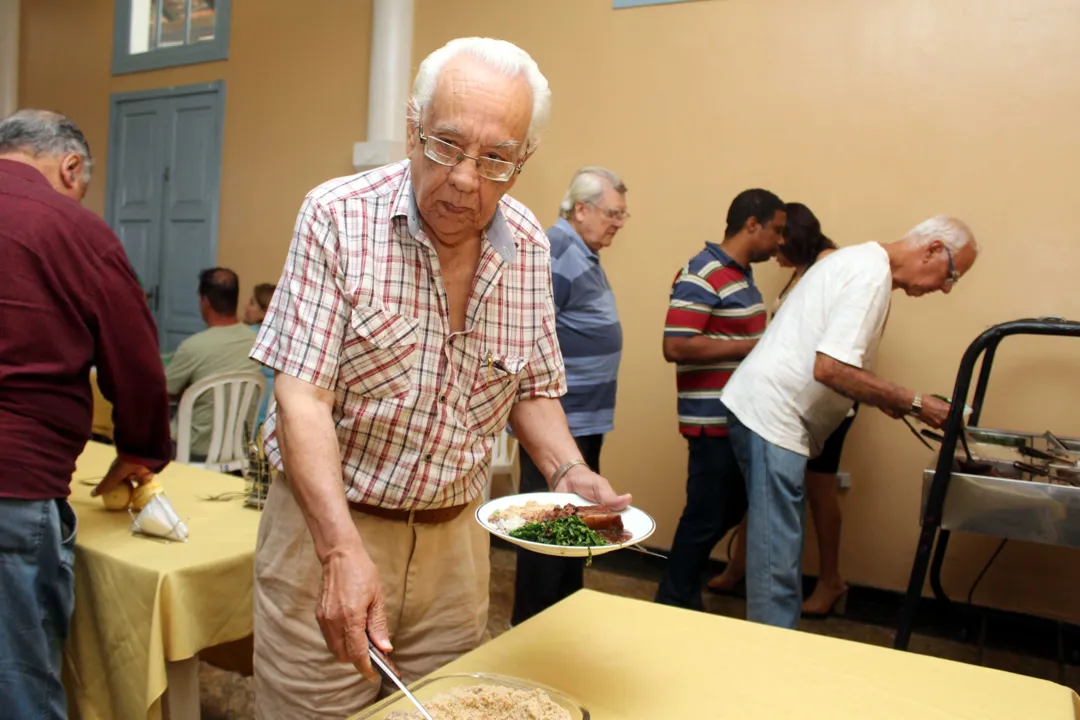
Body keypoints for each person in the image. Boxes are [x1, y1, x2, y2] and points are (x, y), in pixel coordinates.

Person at [249, 37, 630, 717]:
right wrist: (340, 550)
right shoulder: (337, 216)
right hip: (329, 532)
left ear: (525, 160)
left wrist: (570, 473)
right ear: (411, 126)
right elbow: (301, 393)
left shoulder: (529, 245)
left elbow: (532, 386)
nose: (463, 178)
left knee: (453, 706)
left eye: (495, 160)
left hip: (457, 550)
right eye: (446, 146)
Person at [722, 215, 979, 629]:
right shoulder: (868, 274)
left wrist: (887, 400)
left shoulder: (864, 263)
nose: (946, 287)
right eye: (950, 274)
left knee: (779, 547)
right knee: (777, 558)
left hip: (771, 415)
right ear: (932, 249)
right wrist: (915, 402)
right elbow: (830, 369)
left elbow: (835, 365)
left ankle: (771, 652)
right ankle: (772, 666)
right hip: (773, 416)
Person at [0, 109, 173, 719]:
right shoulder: (72, 227)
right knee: (19, 681)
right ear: (69, 166)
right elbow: (135, 360)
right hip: (14, 477)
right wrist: (140, 449)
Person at [708, 202, 853, 617]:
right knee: (767, 488)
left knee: (818, 489)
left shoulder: (832, 267)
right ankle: (741, 565)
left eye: (779, 241)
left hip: (816, 401)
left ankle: (831, 580)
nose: (774, 250)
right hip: (779, 403)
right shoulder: (800, 272)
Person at [654, 189, 787, 611]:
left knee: (726, 511)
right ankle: (674, 600)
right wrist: (753, 347)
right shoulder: (703, 272)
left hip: (737, 418)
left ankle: (679, 592)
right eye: (776, 231)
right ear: (752, 225)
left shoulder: (741, 276)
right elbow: (676, 345)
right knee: (704, 517)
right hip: (710, 421)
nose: (780, 241)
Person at [510, 166, 629, 625]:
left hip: (584, 420)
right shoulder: (557, 247)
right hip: (558, 426)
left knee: (574, 526)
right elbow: (532, 331)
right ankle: (534, 627)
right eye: (611, 213)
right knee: (548, 531)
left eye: (623, 215)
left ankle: (561, 620)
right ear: (581, 209)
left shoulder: (581, 252)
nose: (618, 222)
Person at [165, 268, 260, 458]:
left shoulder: (193, 346)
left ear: (205, 302)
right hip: (239, 451)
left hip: (194, 451)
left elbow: (162, 394)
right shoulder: (256, 342)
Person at [243, 282, 277, 427]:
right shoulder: (284, 336)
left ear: (264, 312)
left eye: (252, 303)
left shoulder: (247, 336)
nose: (246, 308)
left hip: (253, 414)